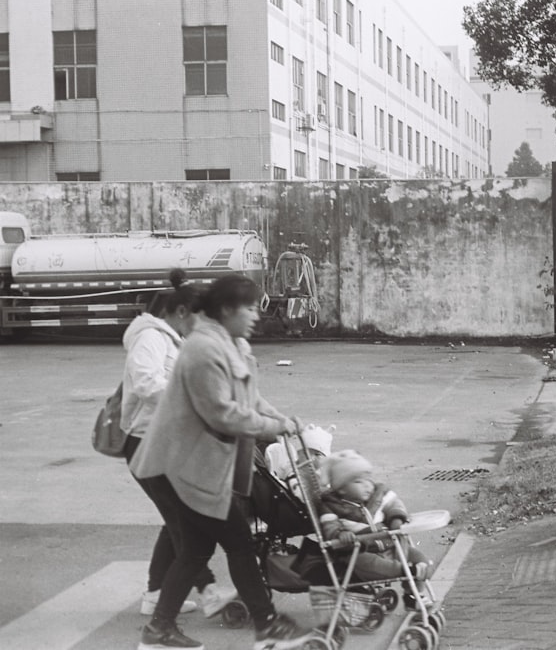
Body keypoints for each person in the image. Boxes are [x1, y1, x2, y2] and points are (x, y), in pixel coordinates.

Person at [130, 273, 312, 650]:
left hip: (199, 466)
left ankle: (159, 629)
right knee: (239, 542)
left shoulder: (228, 344)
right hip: (181, 467)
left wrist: (285, 422)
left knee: (196, 550)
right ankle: (266, 624)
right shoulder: (203, 350)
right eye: (248, 308)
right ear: (226, 309)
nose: (255, 316)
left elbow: (250, 400)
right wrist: (273, 426)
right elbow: (223, 414)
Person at [121, 268, 236, 619]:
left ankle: (156, 594)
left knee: (176, 518)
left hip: (166, 440)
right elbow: (146, 383)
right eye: (201, 319)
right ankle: (208, 591)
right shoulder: (151, 338)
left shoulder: (174, 338)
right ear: (183, 311)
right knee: (185, 520)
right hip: (146, 442)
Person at [316, 450, 432, 588]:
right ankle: (407, 571)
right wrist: (340, 534)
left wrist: (396, 519)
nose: (367, 485)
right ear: (341, 489)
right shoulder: (332, 506)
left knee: (420, 560)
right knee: (368, 562)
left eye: (368, 478)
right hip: (361, 552)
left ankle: (413, 597)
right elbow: (330, 526)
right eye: (358, 481)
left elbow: (393, 504)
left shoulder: (378, 494)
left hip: (391, 546)